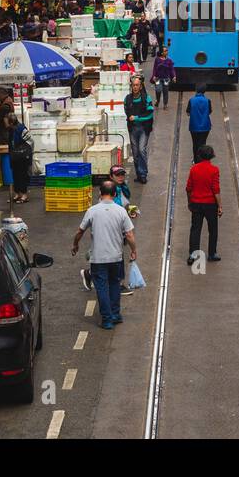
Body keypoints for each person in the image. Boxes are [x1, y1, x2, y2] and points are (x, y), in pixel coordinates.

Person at [72, 181, 137, 330]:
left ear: (100, 194)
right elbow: (129, 235)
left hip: (98, 258)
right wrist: (134, 250)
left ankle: (107, 319)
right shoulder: (121, 211)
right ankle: (115, 314)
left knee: (101, 287)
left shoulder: (92, 211)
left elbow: (80, 231)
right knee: (115, 285)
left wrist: (75, 245)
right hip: (116, 257)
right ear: (115, 194)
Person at [185, 144, 222, 263]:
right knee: (213, 229)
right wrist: (220, 205)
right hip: (210, 204)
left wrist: (189, 202)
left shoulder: (194, 169)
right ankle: (212, 253)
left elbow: (188, 188)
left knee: (195, 229)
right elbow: (216, 190)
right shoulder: (214, 170)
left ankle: (193, 255)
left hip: (196, 202)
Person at [124, 75, 155, 185]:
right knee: (135, 152)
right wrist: (131, 118)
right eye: (133, 85)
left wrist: (137, 117)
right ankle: (138, 173)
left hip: (143, 128)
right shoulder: (127, 99)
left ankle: (143, 174)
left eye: (137, 85)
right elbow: (127, 112)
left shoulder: (146, 98)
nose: (135, 87)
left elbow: (150, 114)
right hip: (132, 129)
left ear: (141, 86)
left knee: (142, 150)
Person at [9, 112, 33, 205]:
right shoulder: (11, 130)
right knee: (15, 175)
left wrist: (27, 153)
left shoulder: (21, 129)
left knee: (22, 174)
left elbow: (30, 141)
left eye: (6, 121)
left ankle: (24, 194)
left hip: (22, 156)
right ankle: (18, 193)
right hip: (15, 156)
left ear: (11, 123)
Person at [186, 86, 212, 163]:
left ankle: (196, 160)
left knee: (195, 143)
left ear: (196, 90)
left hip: (194, 126)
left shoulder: (191, 100)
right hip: (205, 126)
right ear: (204, 91)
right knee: (203, 143)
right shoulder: (208, 101)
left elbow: (188, 113)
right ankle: (202, 160)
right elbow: (209, 112)